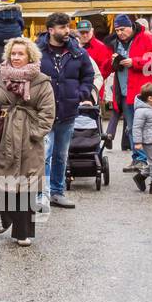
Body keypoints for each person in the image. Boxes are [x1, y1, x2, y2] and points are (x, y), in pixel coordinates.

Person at [0, 36, 56, 246]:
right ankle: (7, 217)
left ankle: (22, 232)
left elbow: (48, 111)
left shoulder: (41, 81)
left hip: (29, 140)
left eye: (20, 53)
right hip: (4, 136)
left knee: (27, 184)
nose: (16, 57)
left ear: (29, 56)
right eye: (13, 53)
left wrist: (35, 132)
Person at [37, 12, 96, 209]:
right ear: (51, 30)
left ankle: (57, 192)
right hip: (43, 113)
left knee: (61, 154)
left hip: (68, 110)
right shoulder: (36, 51)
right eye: (62, 27)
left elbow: (88, 75)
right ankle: (40, 194)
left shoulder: (78, 52)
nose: (66, 31)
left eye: (67, 26)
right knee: (44, 154)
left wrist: (81, 93)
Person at [107, 14, 152, 163]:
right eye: (117, 30)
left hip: (142, 92)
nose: (119, 33)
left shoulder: (146, 37)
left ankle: (146, 160)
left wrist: (135, 62)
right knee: (131, 128)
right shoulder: (115, 42)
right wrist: (114, 62)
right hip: (124, 92)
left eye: (122, 29)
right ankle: (138, 158)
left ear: (131, 27)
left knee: (143, 128)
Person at [76, 19, 113, 107]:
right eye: (82, 33)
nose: (85, 35)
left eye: (87, 32)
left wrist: (92, 83)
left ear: (92, 31)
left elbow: (104, 71)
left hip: (94, 89)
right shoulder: (72, 46)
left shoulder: (101, 47)